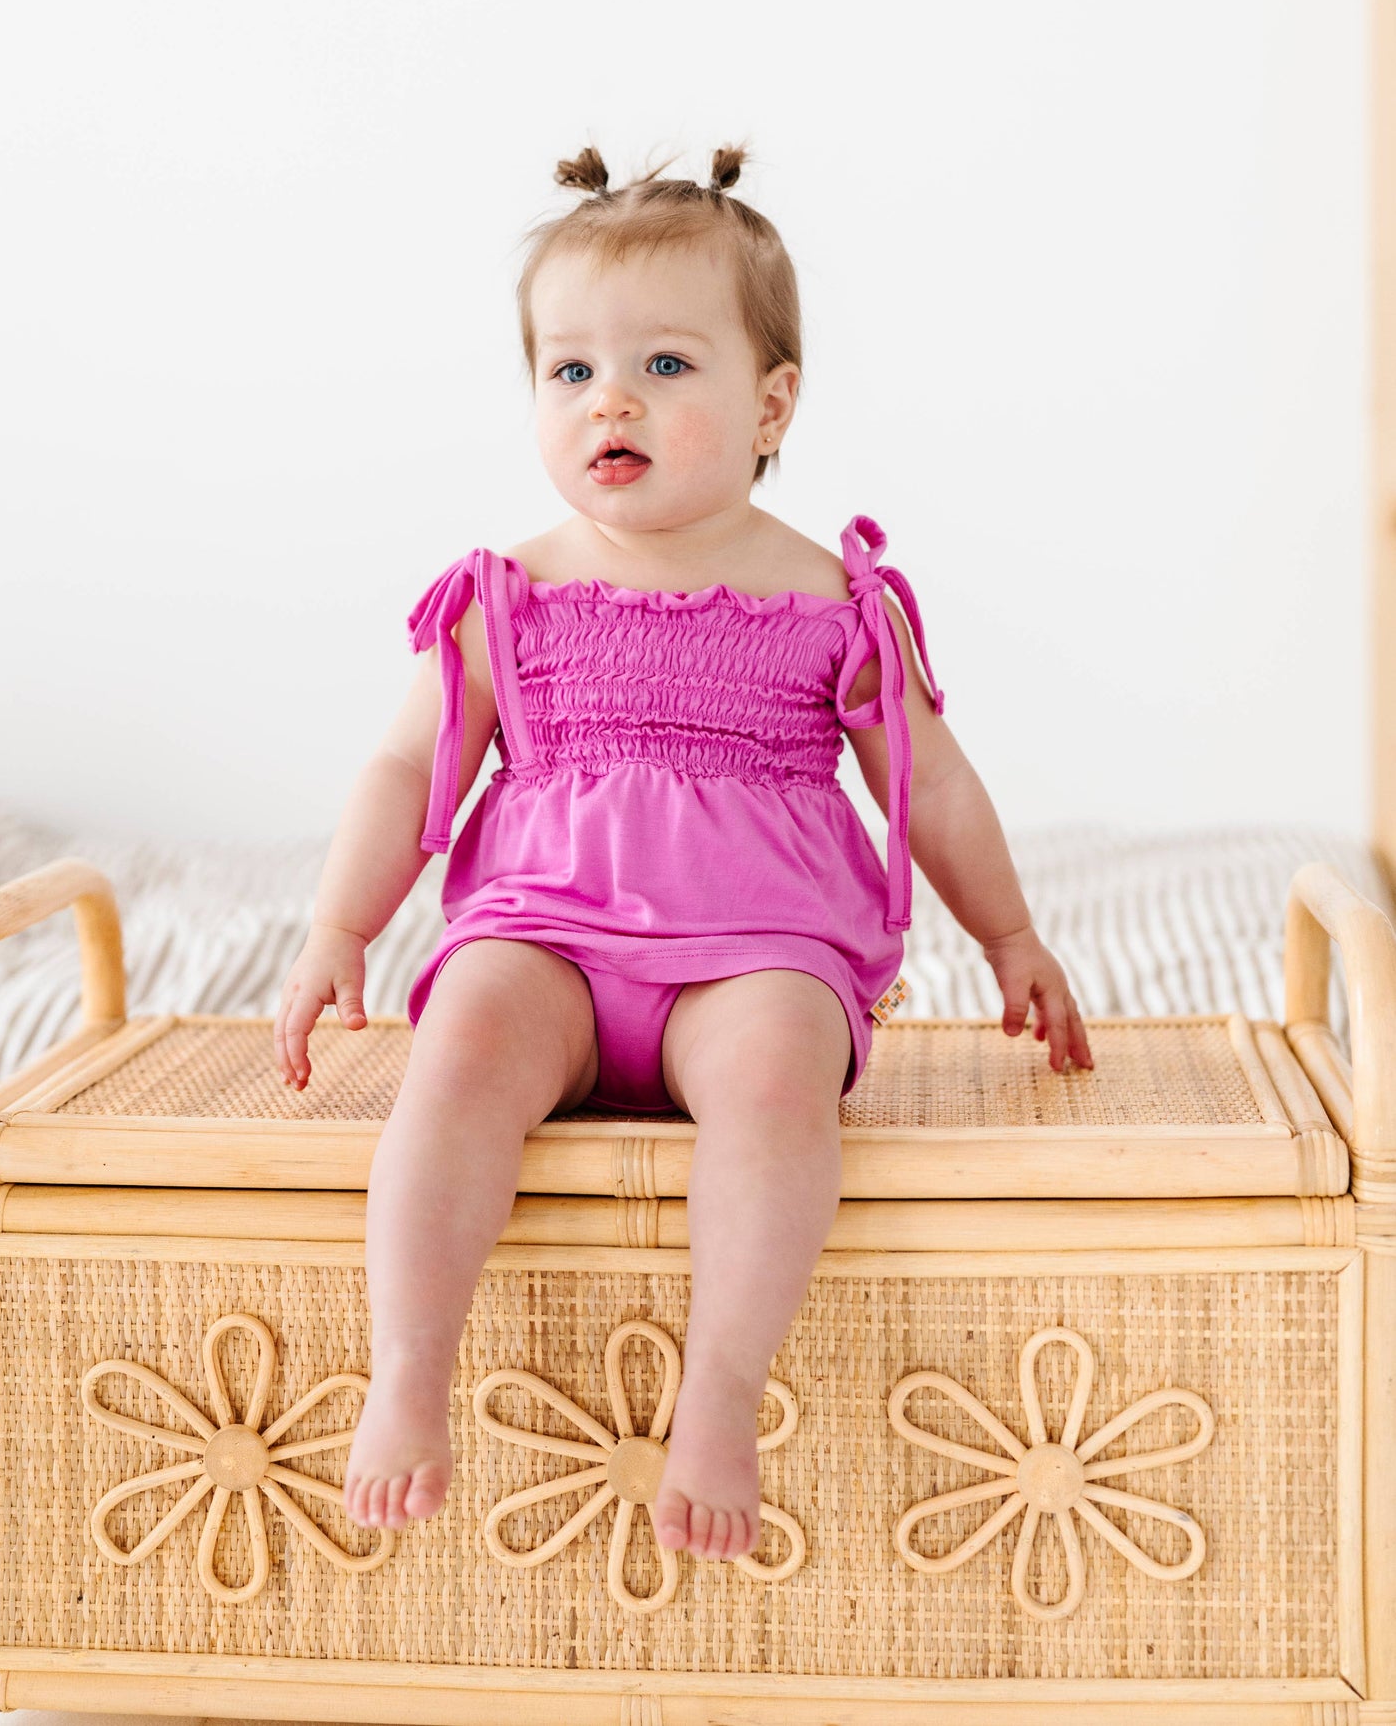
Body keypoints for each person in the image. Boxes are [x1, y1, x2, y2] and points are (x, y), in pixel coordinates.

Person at [273, 141, 1092, 1563]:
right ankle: (410, 1366)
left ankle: (720, 1392)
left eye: (663, 365)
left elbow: (933, 787)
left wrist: (1011, 937)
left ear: (770, 402)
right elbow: (408, 765)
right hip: (549, 945)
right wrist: (339, 927)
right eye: (571, 371)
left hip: (756, 955)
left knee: (778, 1076)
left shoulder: (832, 598)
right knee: (458, 1045)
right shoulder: (506, 594)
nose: (612, 401)